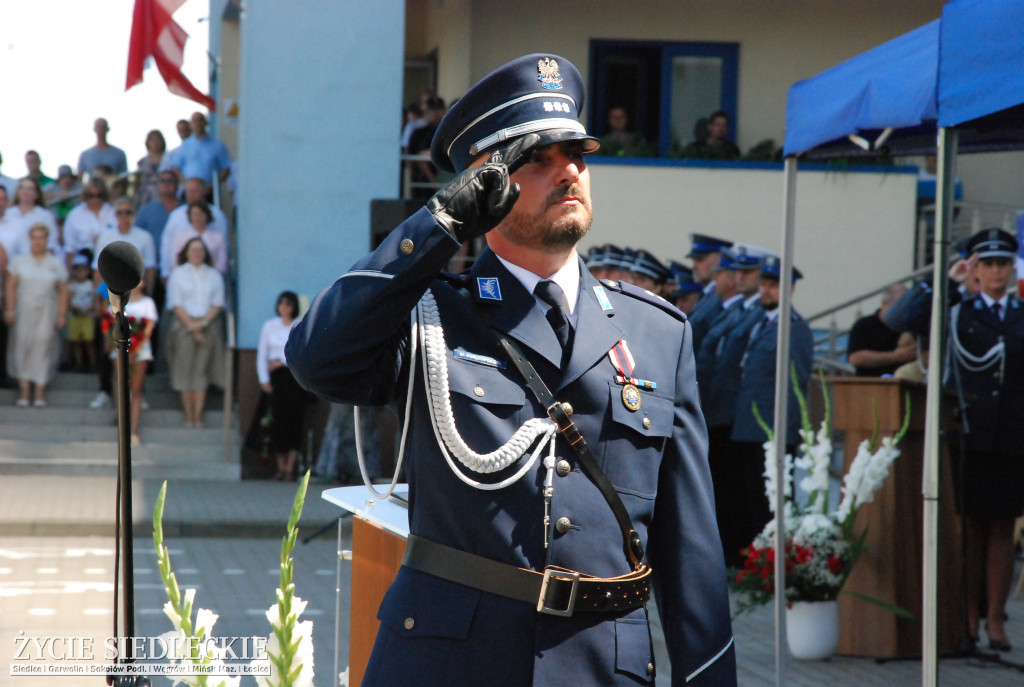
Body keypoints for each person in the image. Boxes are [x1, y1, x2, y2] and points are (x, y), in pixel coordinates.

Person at [286, 52, 736, 686]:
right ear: (484, 182)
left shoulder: (658, 333)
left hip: (603, 668)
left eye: (578, 153)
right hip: (448, 663)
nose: (570, 171)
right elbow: (316, 359)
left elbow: (693, 560)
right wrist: (438, 224)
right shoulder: (429, 315)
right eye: (539, 159)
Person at [943, 229, 1024, 652]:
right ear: (975, 268)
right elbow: (902, 320)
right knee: (970, 529)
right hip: (970, 433)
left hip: (1012, 435)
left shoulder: (1021, 313)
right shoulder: (959, 310)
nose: (996, 272)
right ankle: (967, 615)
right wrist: (948, 283)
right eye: (988, 264)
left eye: (1003, 264)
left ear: (1013, 269)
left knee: (1002, 529)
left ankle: (996, 618)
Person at [729, 255, 813, 560]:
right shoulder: (761, 323)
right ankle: (757, 562)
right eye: (764, 284)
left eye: (773, 285)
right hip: (749, 427)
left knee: (772, 503)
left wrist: (788, 435)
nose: (766, 291)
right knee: (751, 501)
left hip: (773, 430)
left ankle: (775, 564)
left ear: (789, 289)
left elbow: (796, 385)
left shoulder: (794, 328)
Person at [4, 224, 68, 407]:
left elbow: (62, 290)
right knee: (22, 344)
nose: (38, 241)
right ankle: (24, 390)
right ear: (29, 239)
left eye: (41, 238)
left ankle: (40, 389)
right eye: (34, 237)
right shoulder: (19, 261)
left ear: (47, 240)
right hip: (24, 308)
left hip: (47, 309)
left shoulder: (55, 262)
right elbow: (10, 286)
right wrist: (9, 309)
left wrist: (62, 314)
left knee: (43, 343)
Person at [165, 237, 225, 428]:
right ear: (187, 252)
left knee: (200, 372)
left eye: (200, 250)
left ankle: (198, 416)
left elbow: (217, 304)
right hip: (184, 325)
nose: (197, 253)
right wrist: (191, 327)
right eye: (193, 250)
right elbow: (176, 303)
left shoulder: (214, 275)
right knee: (185, 371)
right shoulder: (178, 274)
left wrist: (201, 325)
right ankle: (188, 416)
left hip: (207, 325)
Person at [256, 291, 309, 481]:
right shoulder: (270, 326)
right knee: (278, 423)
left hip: (294, 380)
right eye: (281, 303)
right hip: (277, 381)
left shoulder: (298, 325)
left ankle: (290, 467)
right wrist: (264, 379)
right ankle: (280, 467)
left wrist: (281, 362)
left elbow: (302, 353)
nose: (284, 306)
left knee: (295, 422)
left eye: (288, 303)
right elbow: (262, 354)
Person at [108, 282, 158, 445]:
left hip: (140, 352)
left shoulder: (148, 303)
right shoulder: (116, 302)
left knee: (135, 390)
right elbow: (110, 327)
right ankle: (121, 420)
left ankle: (133, 430)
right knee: (121, 385)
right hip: (119, 348)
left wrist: (135, 349)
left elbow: (148, 330)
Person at [159, 178, 228, 281]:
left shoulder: (217, 215)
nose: (192, 194)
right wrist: (166, 272)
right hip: (183, 278)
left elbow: (223, 249)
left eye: (195, 191)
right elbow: (167, 245)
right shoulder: (176, 216)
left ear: (203, 192)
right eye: (189, 191)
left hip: (212, 278)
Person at [846, 283, 917, 376]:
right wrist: (895, 356)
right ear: (884, 303)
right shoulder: (864, 325)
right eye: (898, 306)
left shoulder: (911, 326)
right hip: (869, 383)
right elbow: (855, 358)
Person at [93, 197, 158, 295]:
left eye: (127, 212)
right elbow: (97, 268)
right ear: (115, 214)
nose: (124, 215)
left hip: (136, 291)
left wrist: (149, 294)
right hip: (109, 291)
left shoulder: (145, 236)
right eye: (120, 212)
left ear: (133, 214)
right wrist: (97, 296)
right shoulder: (105, 237)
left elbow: (150, 268)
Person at [165, 112, 232, 186]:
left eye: (200, 120)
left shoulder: (217, 145)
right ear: (190, 125)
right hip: (189, 191)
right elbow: (175, 167)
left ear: (205, 123)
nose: (197, 123)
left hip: (209, 190)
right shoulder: (185, 145)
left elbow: (226, 168)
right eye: (194, 121)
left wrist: (213, 185)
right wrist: (185, 184)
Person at [63, 177, 115, 268]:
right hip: (84, 262)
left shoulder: (114, 212)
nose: (95, 199)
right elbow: (69, 247)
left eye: (99, 195)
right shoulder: (75, 215)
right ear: (85, 195)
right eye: (91, 195)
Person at [168, 201, 228, 275]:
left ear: (207, 215)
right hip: (186, 278)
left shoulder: (218, 238)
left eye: (201, 214)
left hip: (211, 278)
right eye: (195, 214)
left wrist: (211, 274)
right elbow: (175, 261)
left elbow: (222, 263)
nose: (198, 217)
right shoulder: (181, 237)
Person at [7, 178, 60, 258]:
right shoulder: (7, 214)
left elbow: (52, 243)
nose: (25, 192)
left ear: (36, 194)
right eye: (22, 188)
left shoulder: (45, 216)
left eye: (30, 189)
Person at [67, 252, 98, 373]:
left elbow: (95, 300)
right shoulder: (70, 286)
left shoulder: (91, 285)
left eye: (83, 270)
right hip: (74, 316)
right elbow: (67, 300)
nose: (81, 273)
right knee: (75, 342)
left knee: (89, 341)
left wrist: (89, 309)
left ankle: (93, 363)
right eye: (78, 270)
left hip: (88, 317)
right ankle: (78, 364)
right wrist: (74, 309)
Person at [670, 111, 740, 161]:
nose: (721, 128)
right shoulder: (696, 148)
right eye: (717, 125)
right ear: (710, 127)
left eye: (724, 126)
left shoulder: (732, 149)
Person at [134, 129, 167, 209]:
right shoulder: (142, 162)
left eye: (157, 139)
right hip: (146, 196)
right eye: (152, 140)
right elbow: (137, 182)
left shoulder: (168, 159)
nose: (155, 142)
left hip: (164, 193)